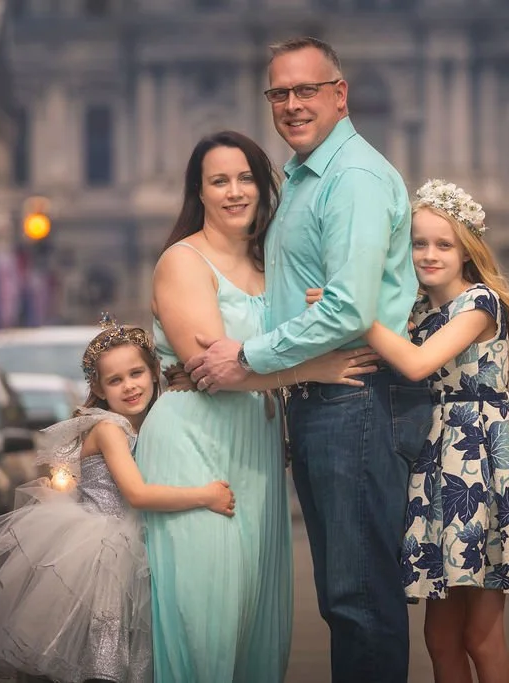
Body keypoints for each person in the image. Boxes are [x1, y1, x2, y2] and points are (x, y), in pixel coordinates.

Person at [184, 38, 432, 683]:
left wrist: (251, 359)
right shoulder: (302, 178)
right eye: (280, 93)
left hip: (353, 401)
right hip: (322, 400)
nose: (292, 105)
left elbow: (348, 309)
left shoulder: (351, 179)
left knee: (360, 599)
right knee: (343, 598)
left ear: (340, 94)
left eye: (307, 90)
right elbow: (296, 296)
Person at [135, 130, 378, 683]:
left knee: (256, 626)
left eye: (245, 178)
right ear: (199, 192)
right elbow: (213, 369)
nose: (235, 191)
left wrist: (326, 307)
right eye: (219, 181)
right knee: (205, 621)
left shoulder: (276, 264)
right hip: (193, 440)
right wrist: (314, 368)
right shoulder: (182, 260)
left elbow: (315, 324)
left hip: (260, 448)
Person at [332, 179, 509, 683]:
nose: (428, 254)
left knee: (481, 635)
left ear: (466, 251)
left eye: (443, 244)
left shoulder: (479, 304)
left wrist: (354, 311)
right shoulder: (417, 311)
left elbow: (416, 363)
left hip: (480, 463)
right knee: (439, 637)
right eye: (418, 243)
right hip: (439, 462)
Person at [0, 317, 236, 683]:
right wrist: (206, 496)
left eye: (136, 373)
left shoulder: (150, 423)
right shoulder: (110, 429)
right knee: (99, 658)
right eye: (115, 380)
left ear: (155, 373)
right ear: (99, 388)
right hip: (103, 552)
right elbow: (136, 494)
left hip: (131, 544)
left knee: (125, 655)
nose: (129, 386)